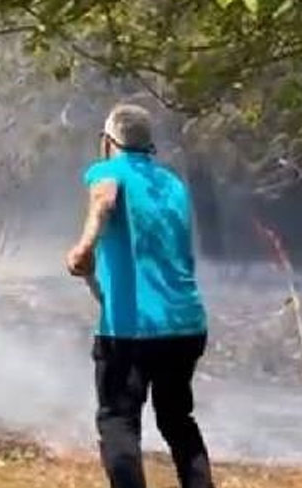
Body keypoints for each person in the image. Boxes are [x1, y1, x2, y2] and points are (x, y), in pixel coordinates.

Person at [65, 104, 213, 488]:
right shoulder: (173, 184)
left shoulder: (109, 171)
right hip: (185, 324)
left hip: (132, 330)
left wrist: (83, 248)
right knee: (177, 420)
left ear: (108, 142)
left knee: (118, 421)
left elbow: (104, 198)